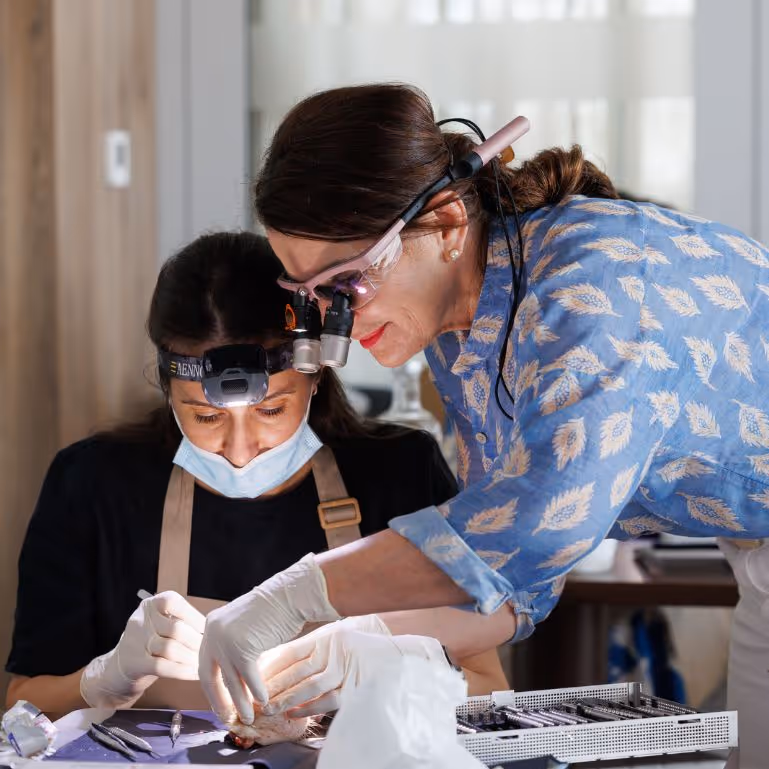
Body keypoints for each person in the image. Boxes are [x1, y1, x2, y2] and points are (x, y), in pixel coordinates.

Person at [197, 84, 769, 767]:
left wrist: (287, 596)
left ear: (443, 223)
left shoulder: (591, 289)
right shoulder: (461, 329)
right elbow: (511, 584)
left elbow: (531, 524)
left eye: (345, 285)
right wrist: (360, 644)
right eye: (307, 296)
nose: (328, 323)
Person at [4, 231, 513, 717]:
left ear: (314, 375)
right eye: (206, 417)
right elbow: (23, 703)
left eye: (271, 410)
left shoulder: (400, 472)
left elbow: (489, 686)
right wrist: (106, 678)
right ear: (167, 388)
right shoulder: (92, 484)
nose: (241, 450)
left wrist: (388, 672)